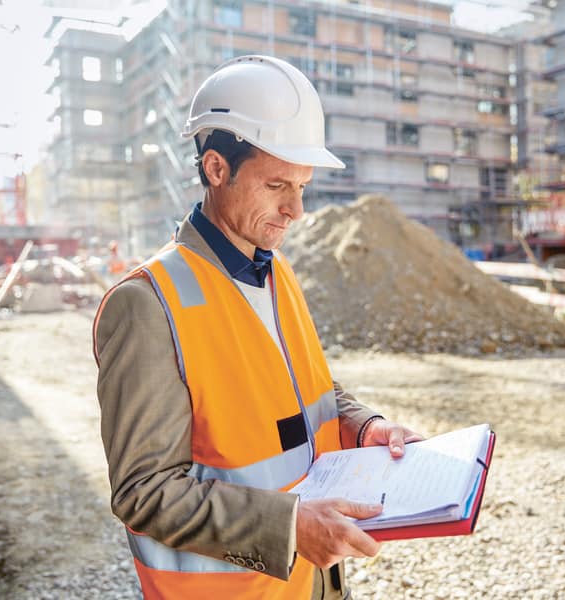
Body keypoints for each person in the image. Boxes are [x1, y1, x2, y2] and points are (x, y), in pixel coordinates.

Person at [93, 55, 422, 600]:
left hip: (309, 582)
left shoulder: (276, 271)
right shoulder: (147, 304)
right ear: (217, 169)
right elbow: (143, 492)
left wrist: (366, 427)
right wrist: (289, 527)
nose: (296, 210)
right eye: (276, 185)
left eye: (303, 187)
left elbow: (306, 397)